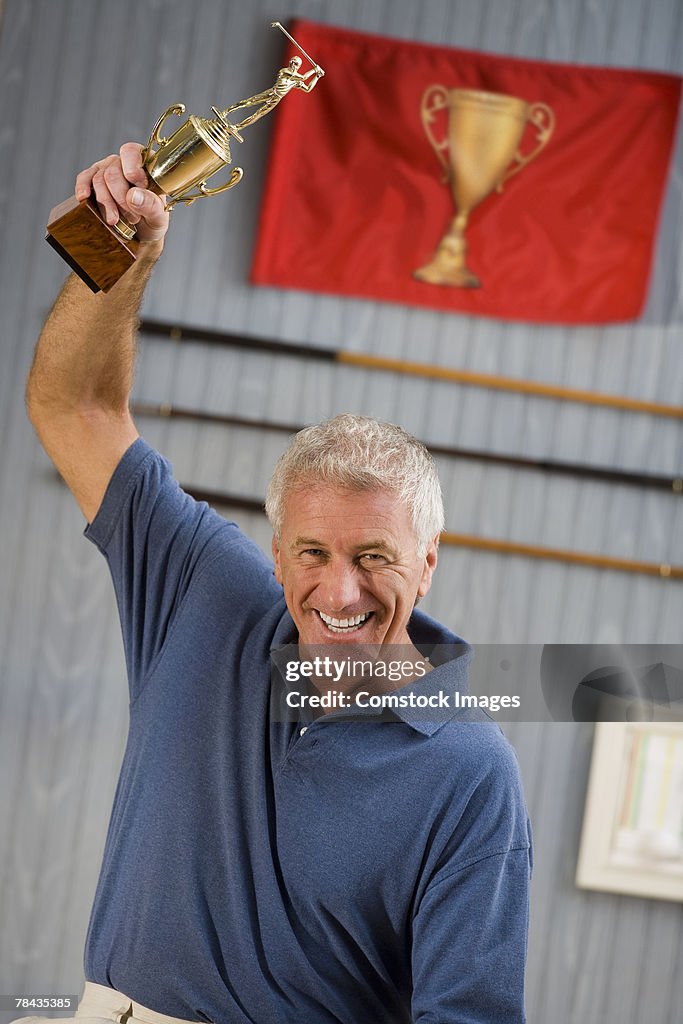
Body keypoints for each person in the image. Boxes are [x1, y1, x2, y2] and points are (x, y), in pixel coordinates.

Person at [19, 143, 532, 1024]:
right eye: (311, 554)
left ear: (428, 560)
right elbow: (74, 406)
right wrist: (121, 249)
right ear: (276, 545)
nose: (339, 591)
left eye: (375, 556)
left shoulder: (470, 773)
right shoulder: (204, 591)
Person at [222, 56, 324, 131]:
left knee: (258, 114)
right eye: (292, 61)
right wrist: (314, 70)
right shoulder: (284, 71)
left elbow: (307, 88)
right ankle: (227, 111)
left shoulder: (296, 80)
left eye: (295, 63)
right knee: (249, 102)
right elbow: (304, 77)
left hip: (276, 99)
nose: (292, 63)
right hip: (271, 92)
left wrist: (317, 76)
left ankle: (237, 127)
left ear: (298, 66)